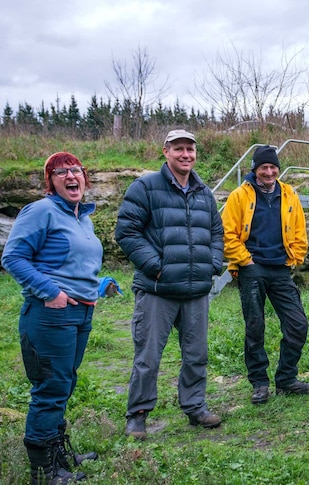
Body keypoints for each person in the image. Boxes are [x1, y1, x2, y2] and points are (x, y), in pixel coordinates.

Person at [115, 129, 225, 440]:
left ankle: (195, 407)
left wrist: (213, 264)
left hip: (195, 291)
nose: (186, 155)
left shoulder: (204, 192)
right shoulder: (145, 188)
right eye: (179, 149)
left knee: (196, 354)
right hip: (157, 290)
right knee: (148, 357)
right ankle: (138, 415)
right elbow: (127, 232)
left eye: (190, 149)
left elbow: (217, 233)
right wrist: (155, 267)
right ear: (166, 152)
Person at [2, 152, 101, 484]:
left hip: (79, 313)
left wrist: (94, 290)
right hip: (49, 314)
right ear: (51, 181)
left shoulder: (81, 217)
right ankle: (44, 472)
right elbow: (13, 257)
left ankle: (58, 453)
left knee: (65, 382)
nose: (71, 176)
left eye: (76, 171)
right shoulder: (40, 210)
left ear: (85, 178)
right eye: (62, 172)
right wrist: (52, 292)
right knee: (51, 387)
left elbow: (74, 264)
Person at [221, 145, 309, 405]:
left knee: (297, 324)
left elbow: (299, 231)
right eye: (263, 167)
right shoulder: (238, 196)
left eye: (273, 167)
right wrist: (246, 261)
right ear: (254, 169)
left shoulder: (288, 194)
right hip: (251, 269)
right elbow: (228, 235)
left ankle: (286, 379)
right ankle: (260, 383)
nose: (269, 171)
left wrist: (293, 259)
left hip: (280, 269)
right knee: (255, 327)